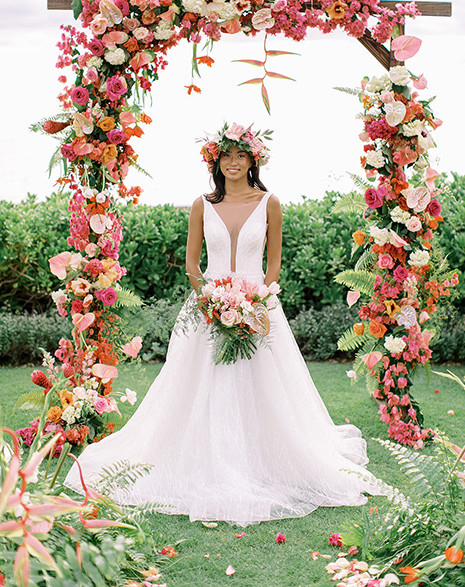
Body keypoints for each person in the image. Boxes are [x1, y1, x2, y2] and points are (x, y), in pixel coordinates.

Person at [65, 122, 382, 526]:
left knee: (268, 388)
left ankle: (267, 459)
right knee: (195, 387)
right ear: (216, 162)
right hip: (207, 308)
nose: (233, 163)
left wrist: (259, 301)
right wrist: (211, 300)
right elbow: (192, 264)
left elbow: (274, 263)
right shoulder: (201, 203)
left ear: (253, 160)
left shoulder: (270, 202)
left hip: (259, 309)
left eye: (241, 156)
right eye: (226, 156)